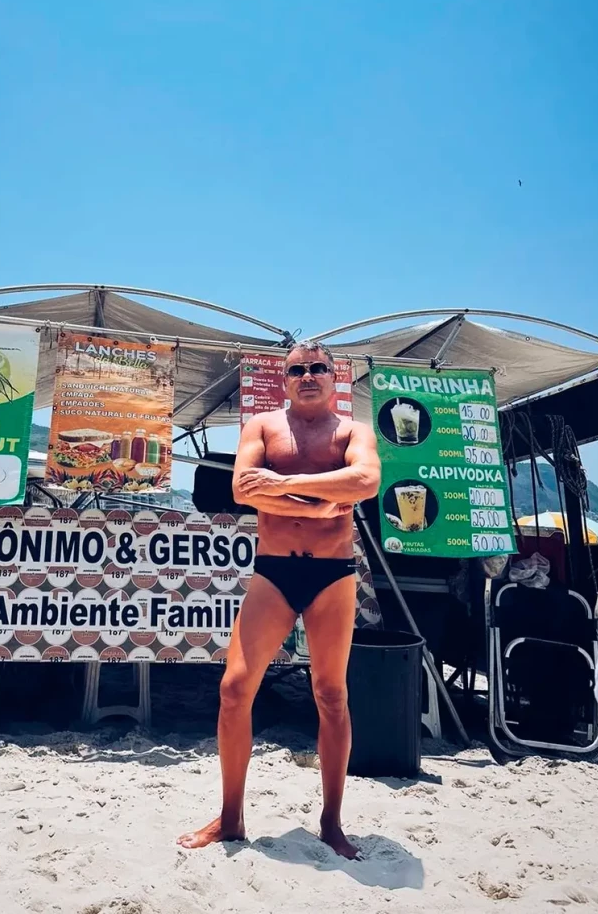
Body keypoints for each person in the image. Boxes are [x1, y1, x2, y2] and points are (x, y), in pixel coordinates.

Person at [178, 340, 381, 859]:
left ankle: (332, 822)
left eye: (317, 368)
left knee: (332, 695)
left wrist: (287, 485)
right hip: (274, 571)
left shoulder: (353, 430)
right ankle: (229, 818)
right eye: (298, 370)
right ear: (284, 380)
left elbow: (367, 480)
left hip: (333, 575)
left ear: (334, 377)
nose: (308, 375)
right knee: (233, 688)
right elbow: (245, 488)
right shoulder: (263, 427)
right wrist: (323, 505)